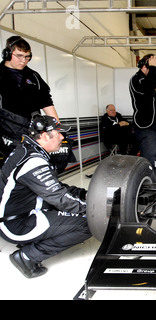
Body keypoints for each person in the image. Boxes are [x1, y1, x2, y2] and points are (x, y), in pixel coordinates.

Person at [0, 115, 91, 278]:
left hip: (18, 215)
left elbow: (56, 188)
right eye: (58, 134)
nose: (62, 137)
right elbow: (60, 199)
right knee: (88, 223)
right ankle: (28, 256)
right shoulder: (33, 161)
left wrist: (83, 194)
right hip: (17, 223)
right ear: (43, 136)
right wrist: (93, 209)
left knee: (77, 207)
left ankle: (32, 243)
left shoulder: (28, 150)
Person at [0, 35, 68, 168]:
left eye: (27, 57)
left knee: (35, 166)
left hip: (31, 130)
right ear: (7, 54)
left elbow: (46, 103)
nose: (23, 60)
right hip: (5, 130)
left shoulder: (33, 76)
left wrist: (57, 129)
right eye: (19, 56)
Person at [129, 54, 156, 176]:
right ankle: (148, 188)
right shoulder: (136, 80)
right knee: (149, 158)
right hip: (145, 127)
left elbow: (150, 98)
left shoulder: (147, 80)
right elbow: (149, 85)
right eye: (154, 68)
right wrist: (153, 68)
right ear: (145, 67)